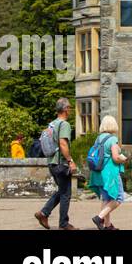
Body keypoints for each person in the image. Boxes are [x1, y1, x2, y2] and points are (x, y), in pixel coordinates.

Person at [34, 98, 76, 231]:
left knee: (62, 191)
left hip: (51, 164)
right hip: (60, 164)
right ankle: (63, 224)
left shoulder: (51, 124)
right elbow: (63, 144)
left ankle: (44, 213)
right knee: (65, 194)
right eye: (69, 107)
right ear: (64, 109)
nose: (70, 110)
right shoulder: (64, 124)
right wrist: (70, 160)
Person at [87, 115, 128, 230]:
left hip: (98, 173)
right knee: (118, 198)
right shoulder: (112, 139)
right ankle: (99, 218)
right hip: (110, 174)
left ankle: (108, 225)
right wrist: (124, 159)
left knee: (106, 199)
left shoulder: (98, 139)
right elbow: (115, 158)